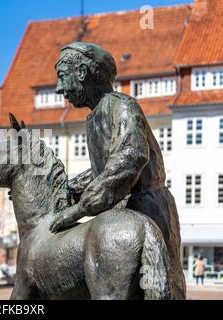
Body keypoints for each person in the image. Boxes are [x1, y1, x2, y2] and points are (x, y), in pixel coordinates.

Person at [48, 42, 185, 299]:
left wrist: (79, 209)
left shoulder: (121, 105)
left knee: (162, 289)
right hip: (122, 214)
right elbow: (102, 171)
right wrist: (64, 190)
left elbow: (130, 157)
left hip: (148, 208)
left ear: (82, 73)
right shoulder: (95, 117)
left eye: (61, 77)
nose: (59, 89)